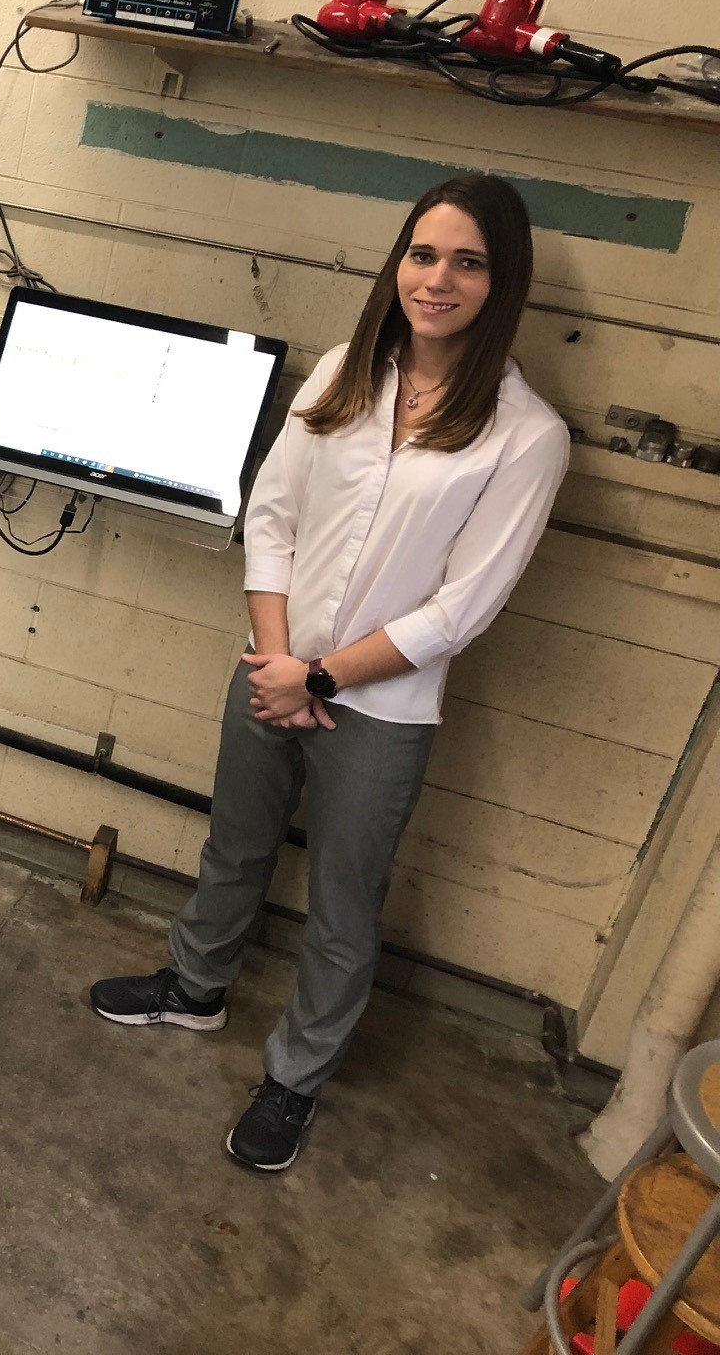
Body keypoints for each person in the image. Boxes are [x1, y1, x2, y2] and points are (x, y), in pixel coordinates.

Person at [89, 174, 570, 1173]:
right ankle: (195, 990)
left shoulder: (527, 436)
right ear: (400, 262)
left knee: (344, 905)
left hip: (380, 709)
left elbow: (462, 609)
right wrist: (278, 662)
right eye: (424, 254)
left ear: (503, 281)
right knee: (236, 844)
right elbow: (273, 513)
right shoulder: (351, 369)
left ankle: (296, 1075)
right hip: (272, 669)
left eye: (468, 262)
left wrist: (321, 681)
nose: (438, 279)